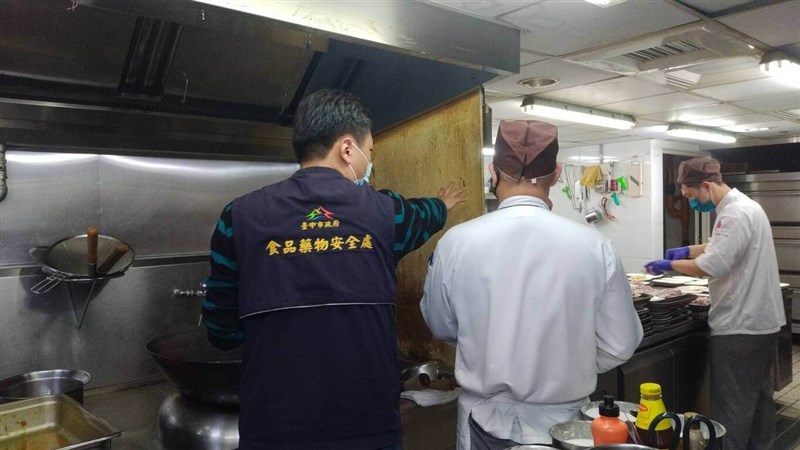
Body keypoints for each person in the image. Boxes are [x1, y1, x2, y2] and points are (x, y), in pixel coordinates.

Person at [202, 89, 466, 450]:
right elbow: (425, 215)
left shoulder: (238, 217)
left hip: (274, 429)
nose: (368, 162)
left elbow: (220, 331)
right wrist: (444, 204)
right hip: (368, 429)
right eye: (369, 152)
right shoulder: (389, 215)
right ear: (347, 149)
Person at [420, 119, 643, 449]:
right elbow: (621, 342)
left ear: (493, 173)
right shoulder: (594, 246)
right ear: (555, 174)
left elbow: (440, 324)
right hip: (563, 427)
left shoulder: (456, 242)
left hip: (481, 421)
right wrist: (570, 358)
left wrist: (487, 347)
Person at [644, 157, 785, 450]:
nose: (692, 203)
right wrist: (686, 250)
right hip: (762, 324)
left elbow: (714, 263)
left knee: (731, 407)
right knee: (758, 401)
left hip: (740, 326)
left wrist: (669, 265)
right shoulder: (746, 207)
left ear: (706, 185)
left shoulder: (733, 214)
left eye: (692, 196)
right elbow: (720, 246)